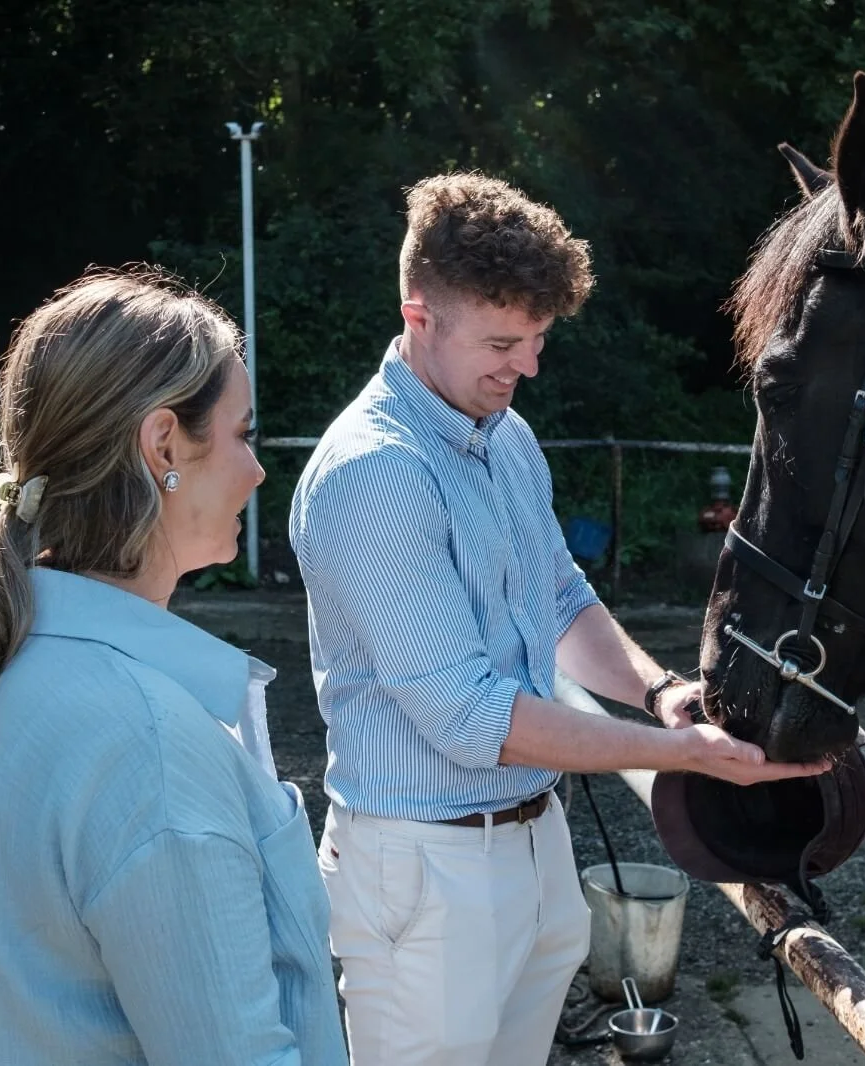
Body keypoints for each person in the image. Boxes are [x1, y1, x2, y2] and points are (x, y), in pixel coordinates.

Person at [289, 173, 830, 1066]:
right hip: (421, 870)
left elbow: (562, 596)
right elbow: (471, 719)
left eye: (538, 340)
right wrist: (680, 757)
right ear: (418, 315)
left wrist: (660, 694)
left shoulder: (505, 433)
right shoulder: (373, 474)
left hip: (534, 837)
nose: (528, 366)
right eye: (503, 341)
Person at [0, 268, 347, 1066]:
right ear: (164, 443)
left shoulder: (25, 662)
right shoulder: (149, 746)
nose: (258, 471)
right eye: (243, 434)